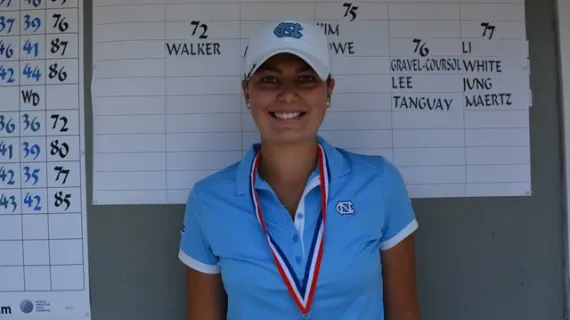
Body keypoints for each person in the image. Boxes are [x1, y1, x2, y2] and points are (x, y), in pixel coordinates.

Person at [178, 19, 421, 320]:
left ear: (329, 90)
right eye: (269, 79)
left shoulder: (380, 182)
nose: (288, 94)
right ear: (246, 93)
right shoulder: (208, 200)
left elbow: (405, 314)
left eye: (306, 79)